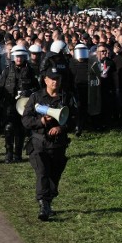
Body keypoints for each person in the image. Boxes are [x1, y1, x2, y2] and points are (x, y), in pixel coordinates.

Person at [21, 66, 76, 221]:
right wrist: (41, 121)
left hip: (57, 145)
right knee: (42, 172)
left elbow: (76, 119)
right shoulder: (36, 97)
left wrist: (61, 127)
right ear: (45, 80)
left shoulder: (67, 98)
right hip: (38, 143)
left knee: (53, 177)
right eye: (52, 79)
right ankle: (43, 205)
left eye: (57, 79)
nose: (55, 82)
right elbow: (25, 120)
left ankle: (48, 202)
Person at [0, 44, 40, 163]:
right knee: (8, 128)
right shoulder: (7, 70)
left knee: (20, 130)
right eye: (16, 56)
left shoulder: (30, 71)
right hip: (9, 104)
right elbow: (0, 87)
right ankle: (8, 154)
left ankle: (18, 154)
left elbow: (37, 88)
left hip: (23, 105)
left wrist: (28, 92)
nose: (18, 59)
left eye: (21, 56)